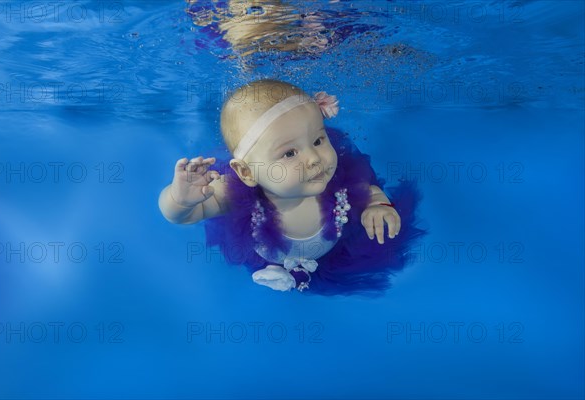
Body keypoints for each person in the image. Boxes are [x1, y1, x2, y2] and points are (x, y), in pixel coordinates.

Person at [159, 79, 426, 295]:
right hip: (271, 258)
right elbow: (183, 216)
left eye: (319, 140)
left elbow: (365, 187)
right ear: (247, 172)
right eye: (289, 154)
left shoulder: (336, 180)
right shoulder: (233, 193)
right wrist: (180, 200)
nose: (313, 158)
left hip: (334, 252)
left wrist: (377, 204)